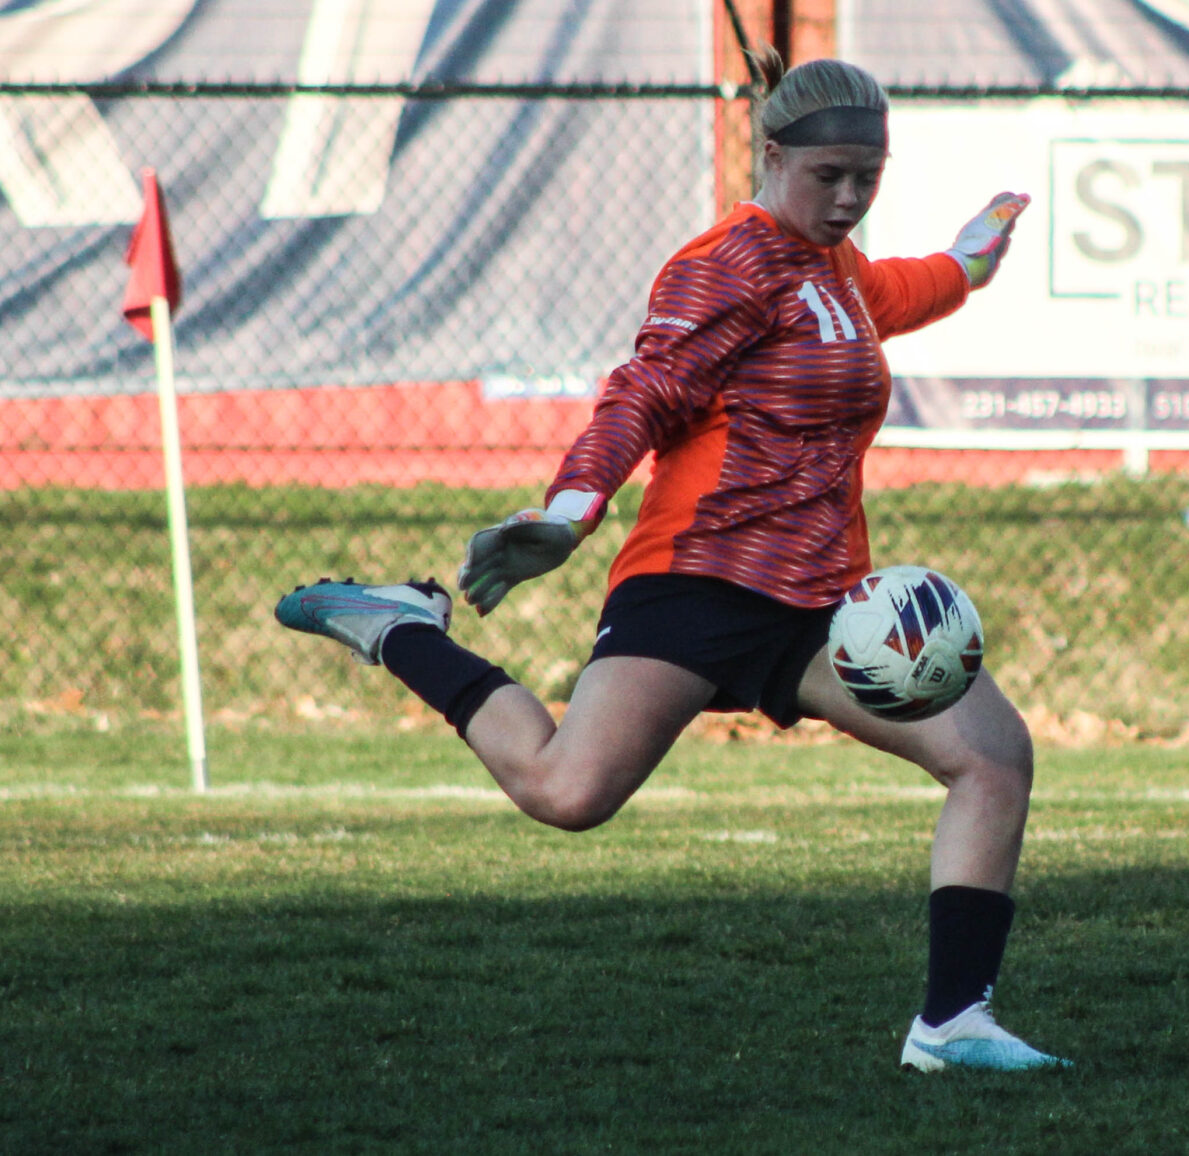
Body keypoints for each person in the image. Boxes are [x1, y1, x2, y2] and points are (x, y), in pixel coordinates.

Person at [275, 47, 1067, 1073]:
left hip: (821, 604)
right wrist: (568, 510)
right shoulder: (723, 265)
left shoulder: (836, 269)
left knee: (993, 756)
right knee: (567, 791)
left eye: (867, 178)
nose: (850, 197)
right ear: (771, 156)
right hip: (698, 579)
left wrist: (968, 257)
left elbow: (901, 290)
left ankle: (953, 1024)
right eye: (829, 177)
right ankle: (404, 629)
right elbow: (642, 392)